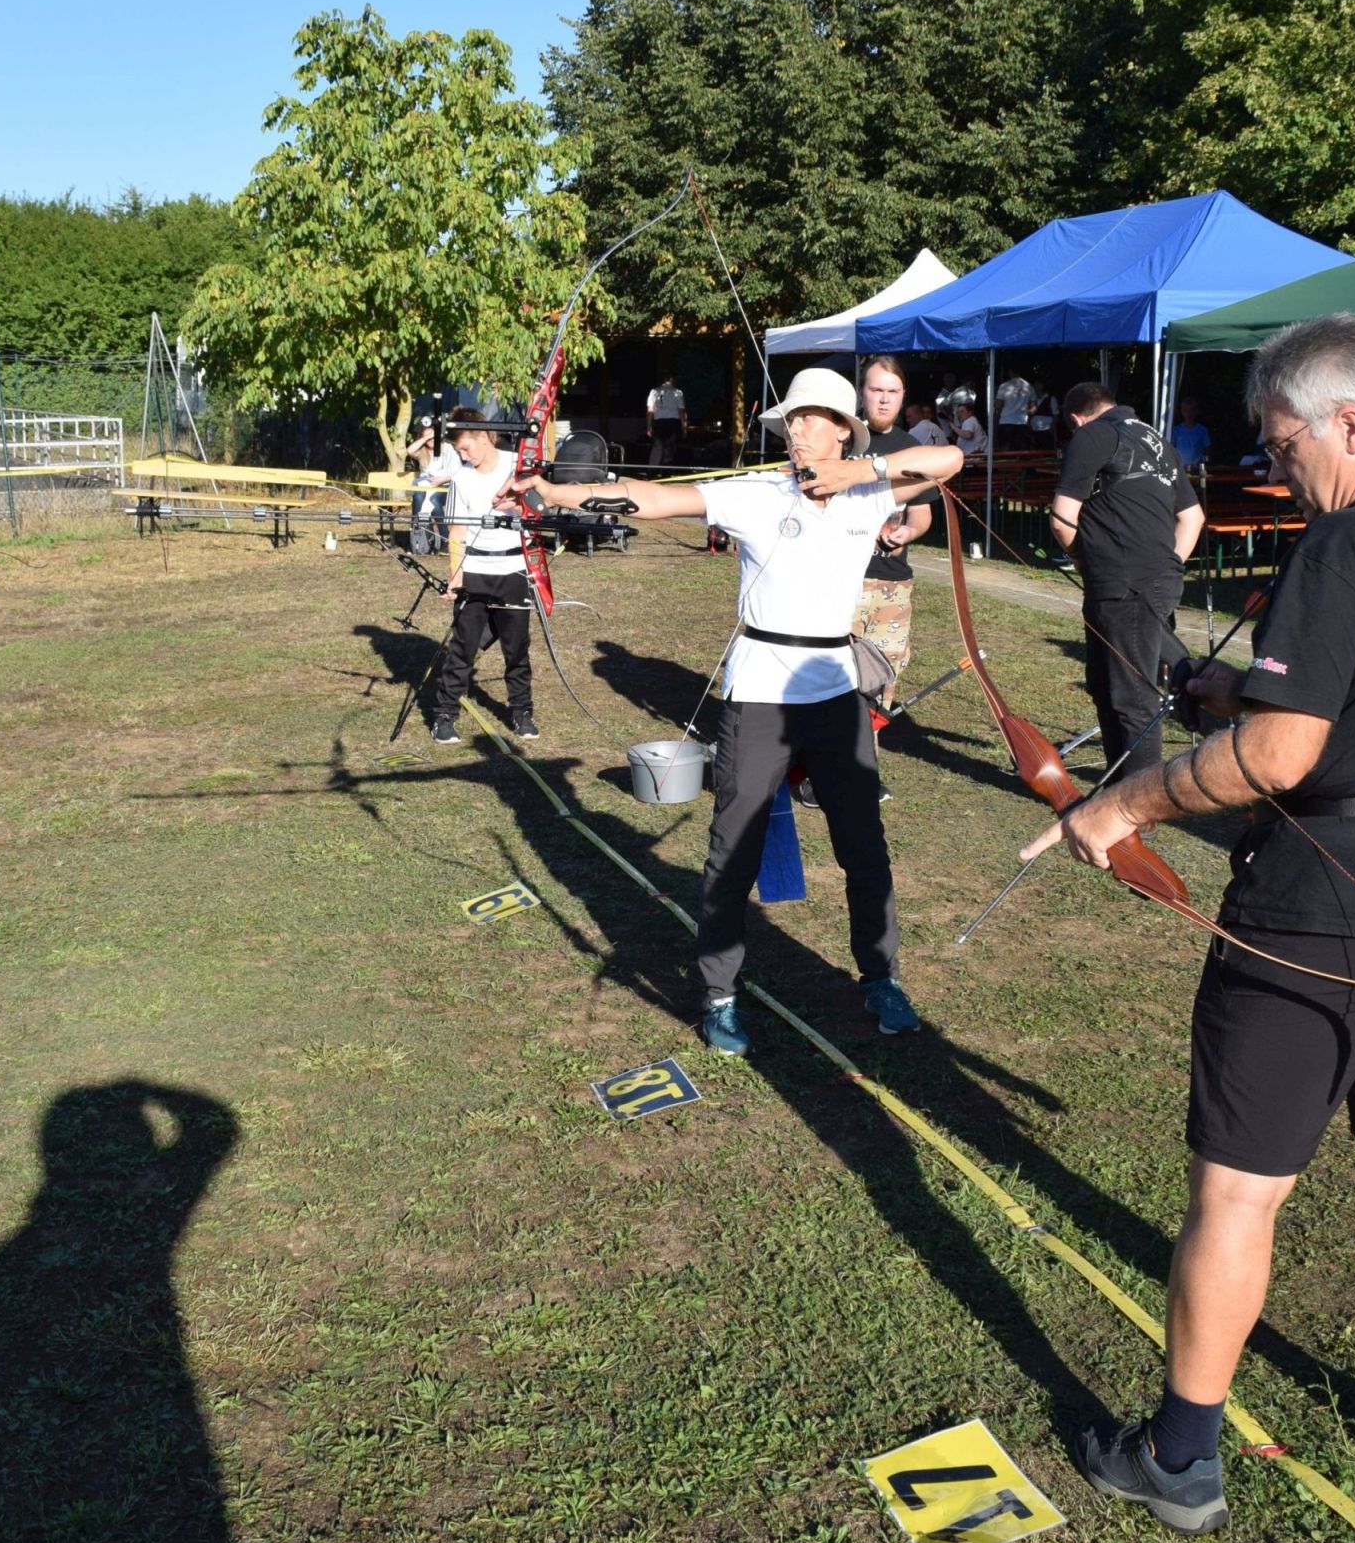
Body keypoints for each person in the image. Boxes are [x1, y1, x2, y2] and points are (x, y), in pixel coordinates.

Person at [1025, 315, 1355, 1532]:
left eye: (1282, 439)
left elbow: (1280, 755)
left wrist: (1120, 803)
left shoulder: (1346, 540)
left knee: (1239, 1192)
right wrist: (1236, 689)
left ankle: (1179, 1454)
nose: (1275, 463)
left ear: (1349, 422)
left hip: (1324, 904)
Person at [509, 366, 963, 1057]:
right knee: (732, 851)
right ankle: (719, 993)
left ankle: (881, 977)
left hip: (834, 693)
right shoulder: (757, 492)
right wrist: (557, 490)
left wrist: (857, 472)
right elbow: (653, 499)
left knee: (864, 846)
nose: (798, 430)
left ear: (843, 431)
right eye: (792, 420)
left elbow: (950, 460)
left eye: (813, 420)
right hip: (757, 694)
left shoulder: (868, 492)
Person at [1051, 381, 1205, 778]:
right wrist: (1169, 565)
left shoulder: (1092, 435)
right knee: (1104, 683)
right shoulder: (1157, 441)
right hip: (1149, 579)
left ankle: (1139, 801)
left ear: (1076, 419)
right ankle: (1117, 784)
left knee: (1131, 696)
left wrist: (1081, 560)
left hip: (1121, 581)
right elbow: (1193, 517)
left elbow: (1063, 516)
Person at [411, 406, 537, 743]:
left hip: (513, 570)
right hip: (476, 571)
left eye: (465, 448)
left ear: (483, 436)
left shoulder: (519, 466)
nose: (463, 456)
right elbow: (457, 532)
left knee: (516, 648)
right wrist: (456, 577)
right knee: (462, 648)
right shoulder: (462, 478)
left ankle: (522, 712)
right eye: (458, 451)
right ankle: (444, 715)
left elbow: (542, 508)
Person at [852, 356, 935, 708]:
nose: (884, 400)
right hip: (844, 578)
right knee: (835, 676)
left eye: (893, 392)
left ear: (903, 396)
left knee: (881, 680)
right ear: (862, 392)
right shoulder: (842, 441)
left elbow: (921, 512)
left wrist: (909, 531)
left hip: (893, 582)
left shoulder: (912, 449)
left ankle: (868, 736)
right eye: (876, 390)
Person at [647, 373, 688, 467]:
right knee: (670, 448)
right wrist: (684, 426)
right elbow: (681, 410)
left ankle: (652, 469)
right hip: (672, 422)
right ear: (672, 379)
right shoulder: (677, 392)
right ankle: (667, 470)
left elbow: (650, 410)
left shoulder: (654, 391)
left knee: (657, 447)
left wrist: (649, 426)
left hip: (659, 422)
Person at [1169, 395, 1211, 476]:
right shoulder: (1176, 430)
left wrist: (1203, 464)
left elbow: (1207, 451)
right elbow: (1171, 450)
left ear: (1196, 411)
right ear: (1181, 412)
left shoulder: (1202, 430)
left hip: (1197, 470)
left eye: (1191, 410)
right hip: (1180, 470)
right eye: (1185, 411)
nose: (1188, 414)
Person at [995, 371, 1036, 449]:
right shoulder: (1029, 386)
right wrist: (1027, 413)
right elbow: (1033, 408)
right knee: (1022, 451)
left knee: (1006, 451)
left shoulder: (1004, 386)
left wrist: (995, 403)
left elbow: (998, 406)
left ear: (1010, 372)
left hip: (1006, 422)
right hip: (1022, 422)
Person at [950, 391, 987, 458]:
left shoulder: (969, 421)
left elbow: (968, 435)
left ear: (970, 413)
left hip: (974, 459)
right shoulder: (971, 421)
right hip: (974, 458)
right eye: (958, 412)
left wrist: (953, 427)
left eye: (962, 411)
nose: (959, 414)